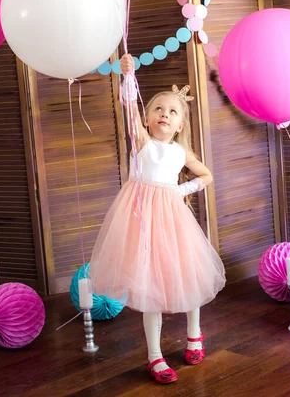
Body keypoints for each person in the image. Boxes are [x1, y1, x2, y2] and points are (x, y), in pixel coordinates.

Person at [89, 54, 226, 384]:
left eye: (173, 111)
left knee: (187, 277)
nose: (165, 114)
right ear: (148, 120)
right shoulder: (143, 143)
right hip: (141, 221)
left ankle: (195, 334)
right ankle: (154, 356)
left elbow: (206, 175)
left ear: (180, 125)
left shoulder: (181, 153)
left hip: (173, 221)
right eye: (158, 109)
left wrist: (181, 190)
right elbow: (128, 108)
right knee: (149, 283)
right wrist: (128, 77)